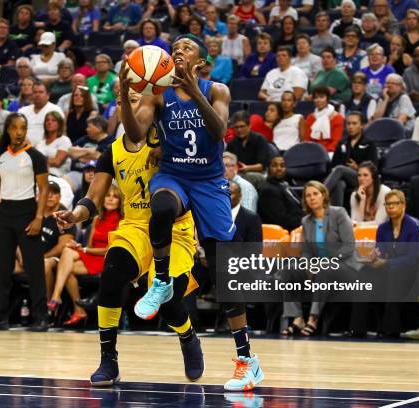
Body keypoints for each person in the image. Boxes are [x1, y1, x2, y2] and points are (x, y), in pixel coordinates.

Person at [118, 34, 263, 391]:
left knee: (221, 271)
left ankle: (248, 360)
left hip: (210, 181)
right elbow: (135, 136)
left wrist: (193, 90)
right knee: (163, 205)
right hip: (174, 176)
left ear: (200, 63)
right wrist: (124, 92)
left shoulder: (217, 90)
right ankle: (163, 281)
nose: (178, 50)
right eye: (175, 47)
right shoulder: (157, 94)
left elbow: (219, 131)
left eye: (187, 48)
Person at [56, 87, 202, 386]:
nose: (128, 107)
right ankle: (108, 359)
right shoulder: (112, 151)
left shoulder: (165, 139)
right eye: (123, 102)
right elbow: (93, 199)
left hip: (174, 228)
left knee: (166, 296)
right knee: (111, 276)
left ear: (149, 106)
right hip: (135, 226)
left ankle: (187, 335)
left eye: (134, 101)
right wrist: (75, 215)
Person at [0, 113, 49, 332]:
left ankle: (40, 317)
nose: (19, 132)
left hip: (28, 212)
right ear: (8, 130)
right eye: (15, 128)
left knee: (34, 268)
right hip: (5, 213)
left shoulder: (35, 156)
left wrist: (39, 217)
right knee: (1, 268)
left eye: (23, 128)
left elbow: (44, 189)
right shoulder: (0, 155)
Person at [281, 181, 357, 336]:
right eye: (308, 195)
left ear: (324, 195)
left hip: (345, 265)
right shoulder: (306, 221)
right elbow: (307, 251)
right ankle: (297, 318)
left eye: (315, 194)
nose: (312, 198)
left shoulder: (339, 213)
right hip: (319, 266)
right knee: (288, 269)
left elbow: (349, 246)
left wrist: (325, 263)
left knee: (324, 271)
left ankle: (313, 319)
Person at [49, 185, 121, 324]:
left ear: (119, 201)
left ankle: (57, 297)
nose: (111, 199)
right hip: (92, 255)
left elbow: (111, 250)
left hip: (108, 260)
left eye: (115, 196)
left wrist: (83, 250)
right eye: (108, 195)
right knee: (67, 255)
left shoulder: (121, 221)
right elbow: (89, 245)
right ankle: (76, 309)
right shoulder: (96, 219)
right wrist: (80, 247)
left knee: (66, 262)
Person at [362, 189, 419, 337]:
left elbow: (413, 257)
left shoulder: (415, 226)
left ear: (403, 205)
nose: (390, 207)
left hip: (411, 269)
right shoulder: (383, 228)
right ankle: (358, 328)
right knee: (363, 272)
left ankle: (390, 328)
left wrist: (386, 262)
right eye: (387, 204)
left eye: (394, 204)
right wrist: (374, 256)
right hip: (389, 268)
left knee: (395, 273)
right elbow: (381, 251)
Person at [325, 112, 378, 206]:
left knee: (340, 169)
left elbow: (374, 169)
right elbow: (333, 165)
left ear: (362, 125)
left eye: (354, 123)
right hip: (344, 179)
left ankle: (321, 194)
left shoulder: (369, 144)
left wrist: (357, 168)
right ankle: (337, 215)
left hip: (362, 178)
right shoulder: (342, 143)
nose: (350, 127)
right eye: (348, 124)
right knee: (339, 184)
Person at [40, 181, 76, 302]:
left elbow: (63, 246)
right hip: (30, 257)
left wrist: (43, 256)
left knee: (45, 264)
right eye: (47, 193)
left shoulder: (65, 216)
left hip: (54, 259)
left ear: (59, 197)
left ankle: (48, 306)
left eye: (54, 193)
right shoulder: (34, 213)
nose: (49, 196)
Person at [226, 110, 270, 190]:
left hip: (257, 173)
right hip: (237, 174)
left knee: (246, 178)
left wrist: (247, 168)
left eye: (242, 126)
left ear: (249, 126)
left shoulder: (260, 139)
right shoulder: (232, 143)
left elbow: (262, 166)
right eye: (236, 127)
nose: (239, 130)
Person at [257, 156, 303, 231]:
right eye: (274, 165)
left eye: (282, 166)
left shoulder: (283, 184)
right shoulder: (268, 191)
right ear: (268, 169)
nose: (279, 168)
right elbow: (283, 222)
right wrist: (306, 221)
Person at [18, 81, 64, 147]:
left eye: (41, 92)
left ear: (48, 95)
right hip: (23, 148)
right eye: (35, 92)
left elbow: (60, 132)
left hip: (47, 148)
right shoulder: (22, 111)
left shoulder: (55, 109)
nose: (37, 95)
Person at [304, 86, 345, 153]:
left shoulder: (337, 117)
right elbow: (307, 139)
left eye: (321, 97)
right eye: (316, 98)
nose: (318, 100)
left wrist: (323, 152)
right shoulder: (310, 117)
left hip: (330, 151)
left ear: (327, 99)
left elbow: (336, 141)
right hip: (312, 151)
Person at [350, 161, 391, 225]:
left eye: (365, 175)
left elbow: (379, 223)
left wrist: (358, 224)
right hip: (361, 233)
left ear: (373, 178)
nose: (361, 178)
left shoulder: (384, 192)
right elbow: (355, 223)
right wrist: (362, 201)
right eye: (359, 175)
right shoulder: (354, 195)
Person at [36, 111, 72, 177]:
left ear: (59, 124)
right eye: (47, 120)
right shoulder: (41, 142)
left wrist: (39, 161)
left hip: (58, 175)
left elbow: (57, 162)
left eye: (54, 120)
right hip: (40, 173)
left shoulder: (64, 140)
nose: (49, 122)